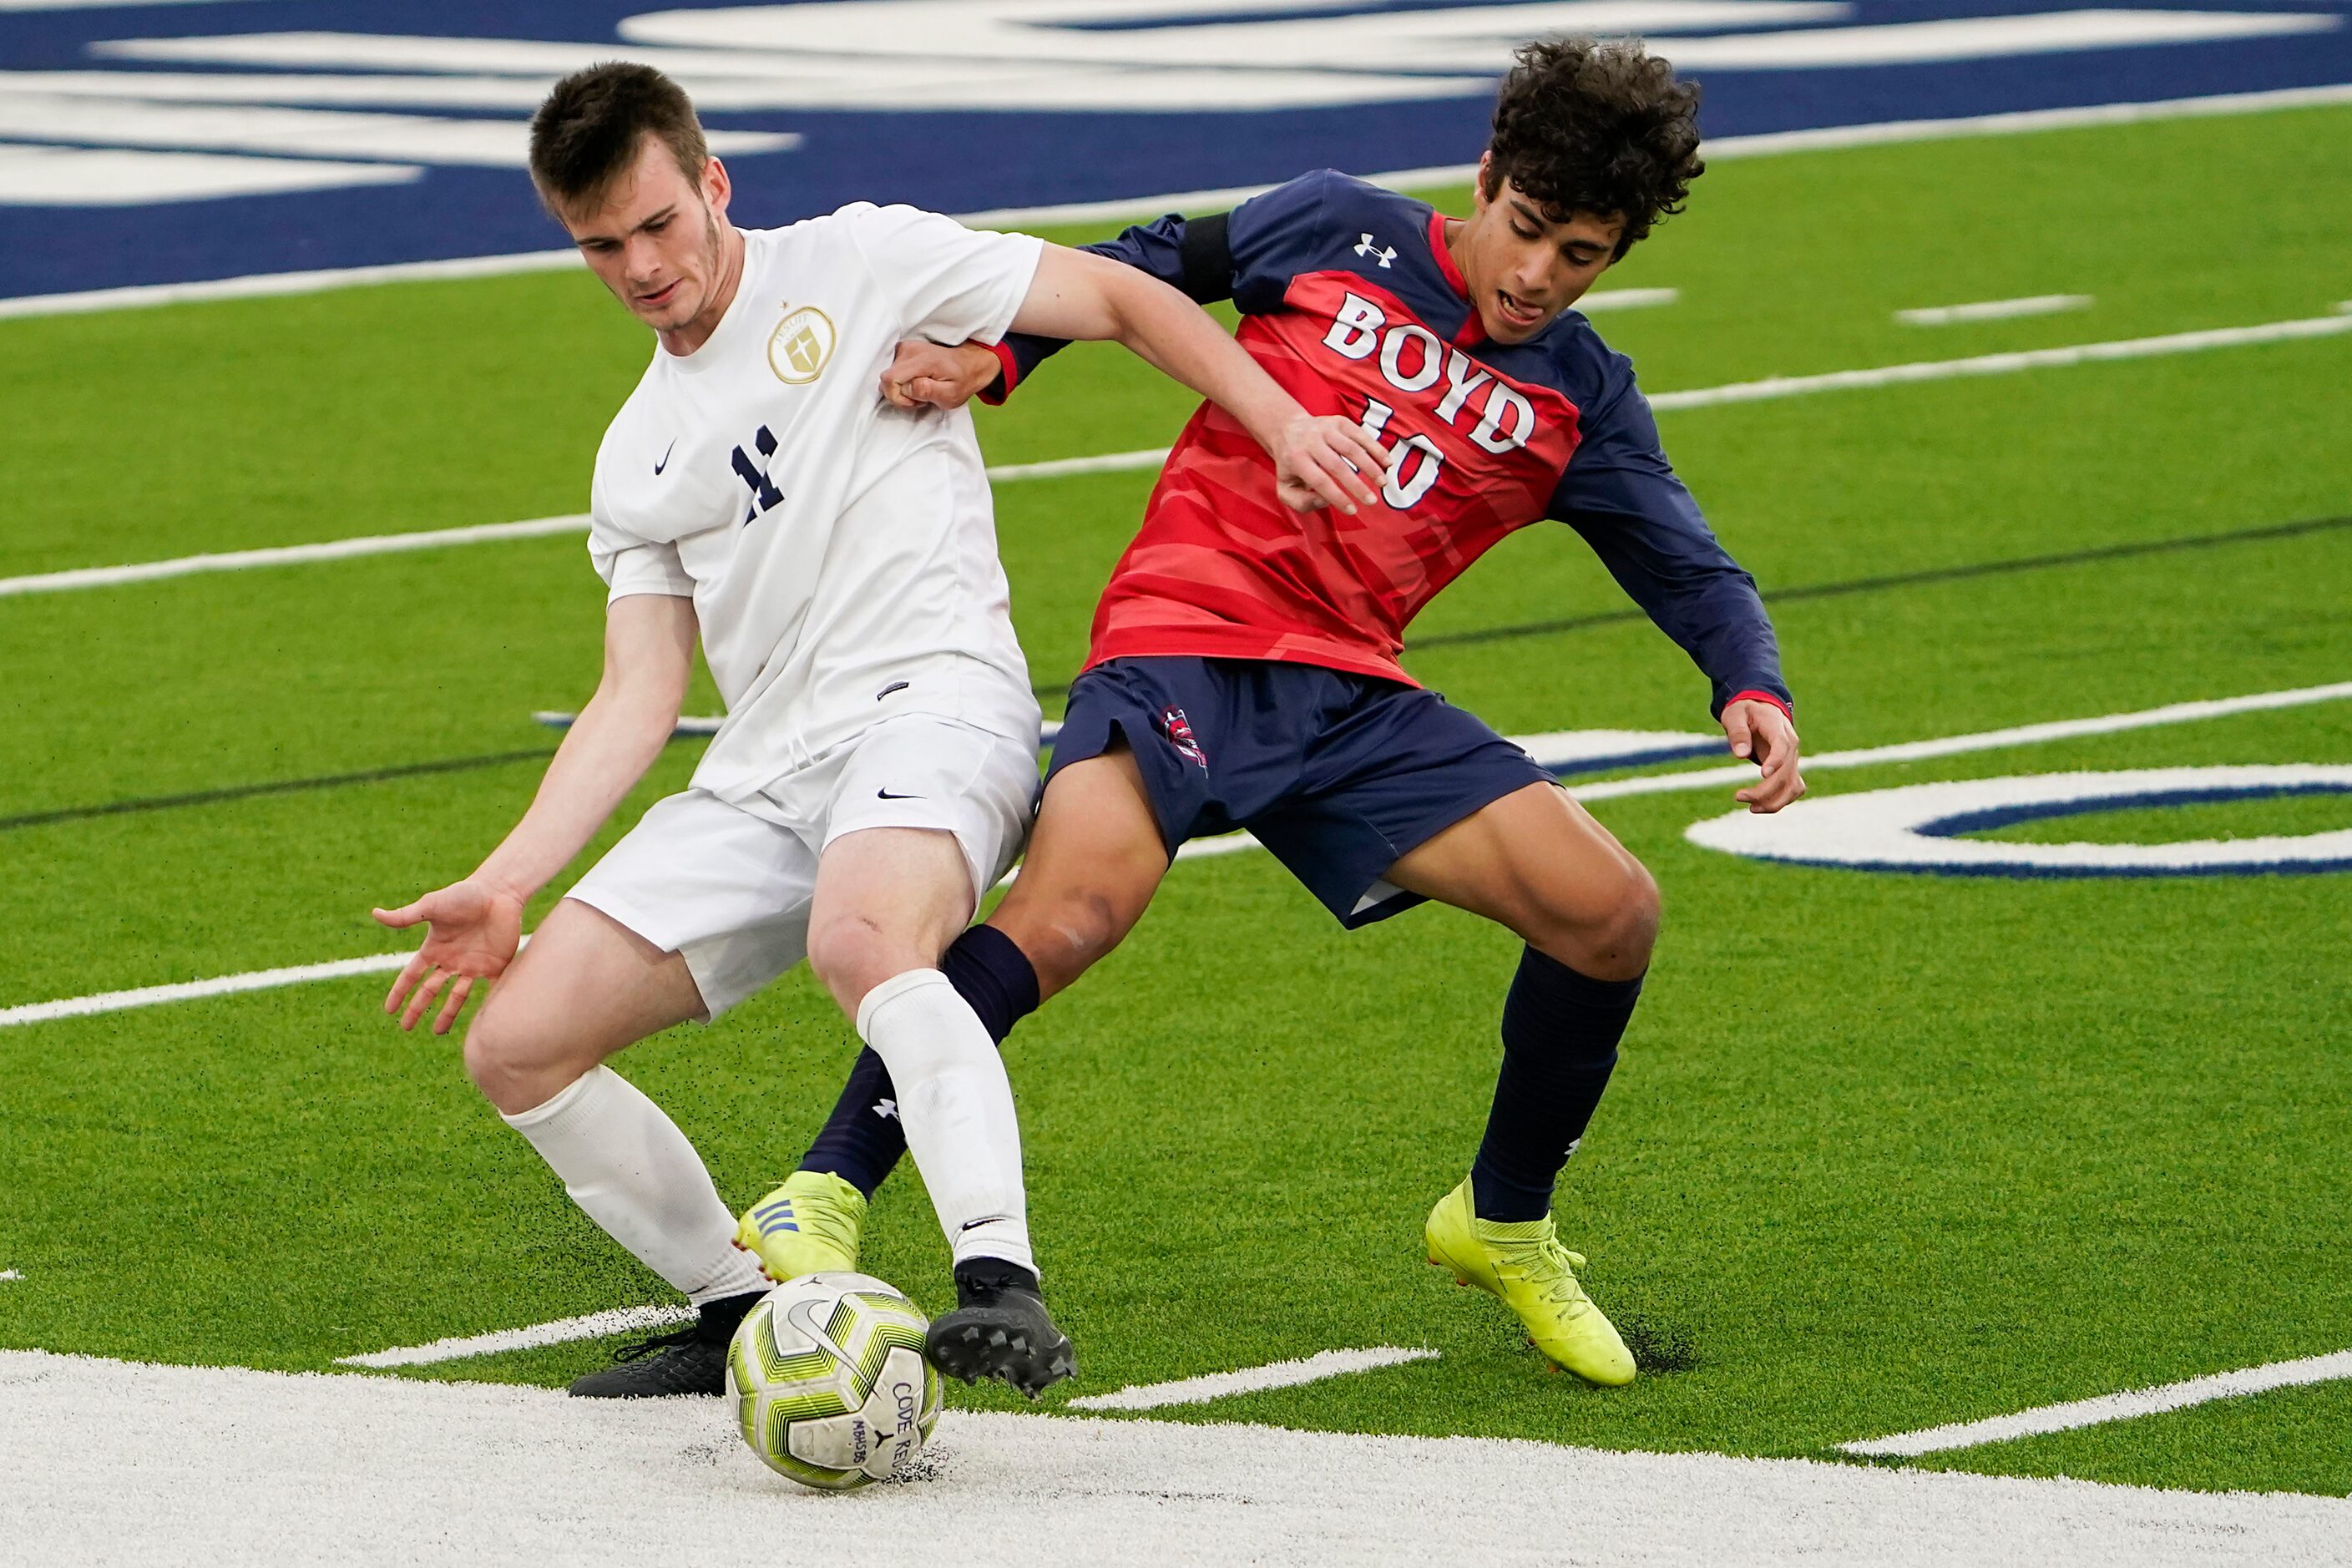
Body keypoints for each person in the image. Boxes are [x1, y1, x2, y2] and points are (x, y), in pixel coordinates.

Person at [740, 38, 1804, 1387]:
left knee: (1610, 914)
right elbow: (1133, 271)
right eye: (1527, 228)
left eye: (1582, 253)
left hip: (1353, 693)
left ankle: (1502, 1218)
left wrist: (1749, 681)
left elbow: (1685, 560)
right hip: (1182, 639)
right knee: (1066, 917)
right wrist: (987, 361)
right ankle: (823, 1183)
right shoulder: (1333, 223)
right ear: (1484, 177)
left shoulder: (1578, 394)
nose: (1539, 274)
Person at [371, 61, 1389, 1400]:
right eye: (600, 246)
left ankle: (998, 1281)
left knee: (861, 937)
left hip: (936, 697)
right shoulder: (634, 456)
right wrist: (510, 879)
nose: (638, 266)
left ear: (712, 182)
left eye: (658, 224)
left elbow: (1124, 297)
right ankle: (735, 1306)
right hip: (766, 770)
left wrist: (1280, 421)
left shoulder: (861, 258)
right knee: (517, 1042)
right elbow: (636, 694)